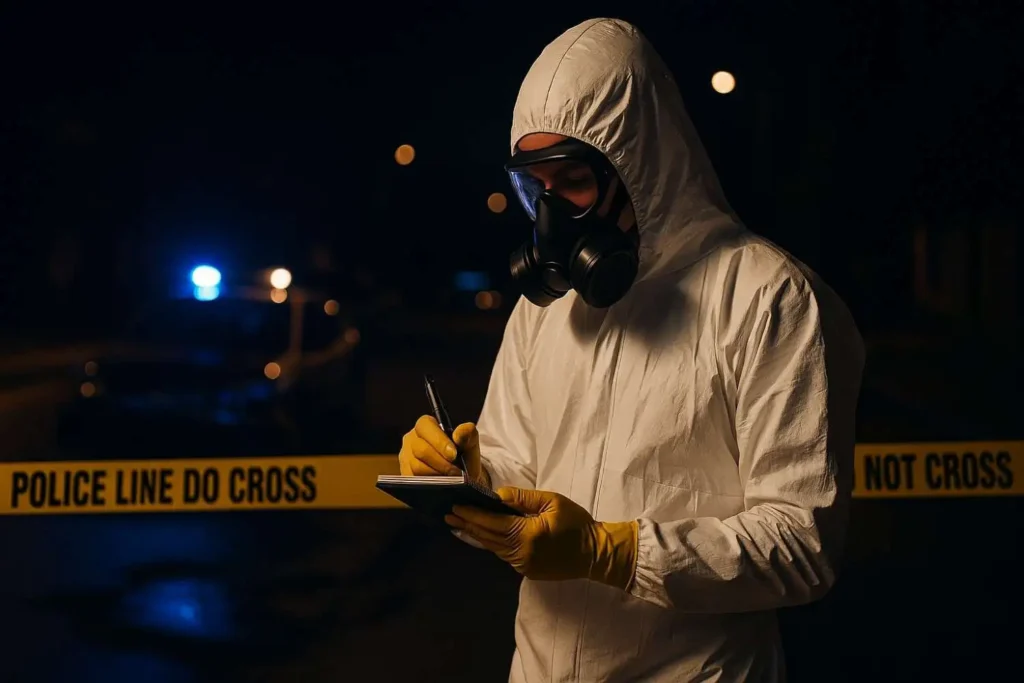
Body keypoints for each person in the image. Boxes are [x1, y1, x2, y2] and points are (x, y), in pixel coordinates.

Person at [398, 17, 865, 683]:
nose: (553, 216)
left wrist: (614, 552)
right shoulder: (547, 311)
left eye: (574, 181)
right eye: (538, 187)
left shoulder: (768, 298)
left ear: (636, 161)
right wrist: (463, 475)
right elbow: (516, 472)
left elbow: (802, 545)